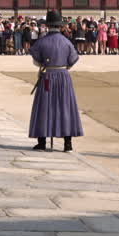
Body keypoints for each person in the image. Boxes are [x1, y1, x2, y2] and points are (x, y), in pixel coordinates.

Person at [29, 10, 83, 152]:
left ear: (47, 25)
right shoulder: (67, 42)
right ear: (60, 26)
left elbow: (36, 60)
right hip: (63, 75)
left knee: (44, 106)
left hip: (47, 75)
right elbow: (73, 60)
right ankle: (67, 144)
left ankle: (42, 142)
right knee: (66, 106)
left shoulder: (41, 42)